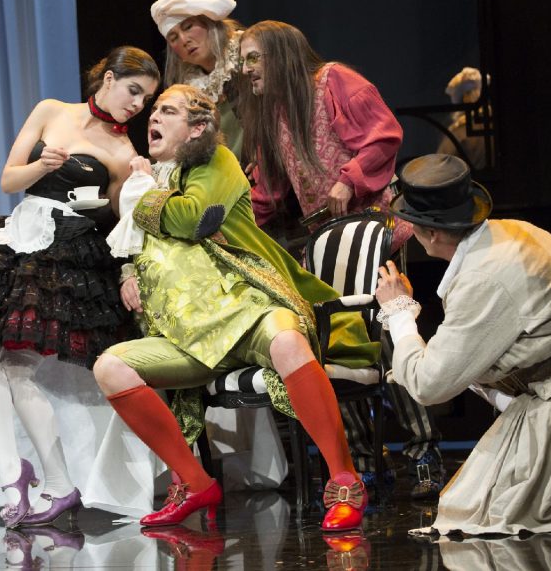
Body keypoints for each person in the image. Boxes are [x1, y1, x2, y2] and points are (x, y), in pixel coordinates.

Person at [93, 84, 379, 533]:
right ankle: (194, 482)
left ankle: (344, 480)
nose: (154, 117)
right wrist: (130, 273)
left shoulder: (215, 162)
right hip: (192, 335)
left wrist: (145, 190)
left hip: (250, 308)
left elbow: (192, 219)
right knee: (110, 369)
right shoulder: (153, 177)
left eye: (168, 111)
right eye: (154, 111)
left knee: (286, 341)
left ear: (199, 127)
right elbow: (136, 243)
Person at [0, 46, 160, 528]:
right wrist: (43, 166)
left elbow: (114, 221)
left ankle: (50, 481)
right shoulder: (52, 111)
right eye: (134, 91)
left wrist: (136, 189)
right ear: (107, 79)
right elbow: (9, 180)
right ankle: (18, 476)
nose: (137, 105)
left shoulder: (124, 151)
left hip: (67, 251)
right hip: (18, 238)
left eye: (146, 99)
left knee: (14, 365)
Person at [240, 20, 446, 498]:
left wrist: (348, 179)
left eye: (254, 58)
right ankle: (364, 456)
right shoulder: (271, 113)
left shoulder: (333, 81)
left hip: (374, 233)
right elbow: (267, 192)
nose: (246, 69)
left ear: (281, 54)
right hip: (326, 244)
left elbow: (383, 136)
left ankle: (423, 451)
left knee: (388, 336)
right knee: (335, 342)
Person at [375, 153, 551, 536]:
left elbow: (427, 385)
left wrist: (398, 311)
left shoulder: (483, 278)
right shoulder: (513, 230)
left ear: (431, 233)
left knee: (478, 506)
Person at [150, 0, 248, 162]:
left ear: (209, 23)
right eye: (173, 37)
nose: (184, 40)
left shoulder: (246, 53)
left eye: (188, 27)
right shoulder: (189, 90)